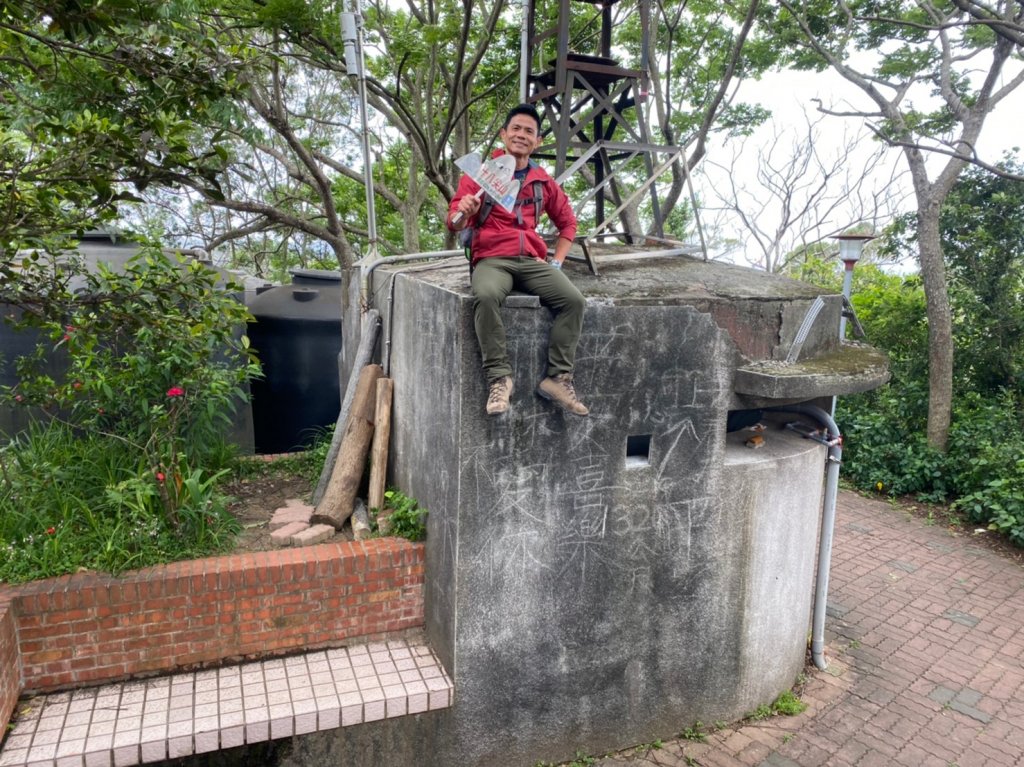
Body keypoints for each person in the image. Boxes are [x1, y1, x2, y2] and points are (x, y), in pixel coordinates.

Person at [447, 103, 589, 418]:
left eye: (529, 131)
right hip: (493, 258)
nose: (521, 136)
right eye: (516, 129)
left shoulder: (542, 181)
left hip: (532, 260)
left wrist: (556, 263)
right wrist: (464, 212)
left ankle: (558, 379)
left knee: (573, 300)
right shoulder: (482, 174)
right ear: (504, 134)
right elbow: (453, 221)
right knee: (484, 296)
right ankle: (499, 379)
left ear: (537, 142)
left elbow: (568, 224)